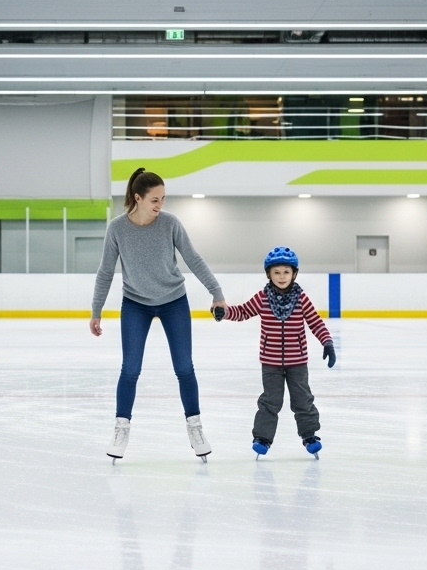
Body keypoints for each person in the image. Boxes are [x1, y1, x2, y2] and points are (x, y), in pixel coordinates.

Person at [91, 167, 227, 462]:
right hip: (135, 303)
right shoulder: (117, 228)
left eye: (163, 199)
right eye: (154, 200)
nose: (160, 205)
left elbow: (192, 257)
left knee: (184, 367)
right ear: (137, 198)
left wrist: (215, 292)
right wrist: (96, 310)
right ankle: (121, 429)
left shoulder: (170, 224)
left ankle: (195, 427)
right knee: (130, 369)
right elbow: (105, 272)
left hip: (173, 301)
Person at [217, 247, 336, 459]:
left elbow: (315, 322)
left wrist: (327, 342)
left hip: (297, 362)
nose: (282, 277)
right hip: (270, 362)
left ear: (294, 274)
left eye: (286, 272)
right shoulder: (263, 298)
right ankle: (262, 438)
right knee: (270, 401)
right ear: (269, 274)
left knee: (302, 399)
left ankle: (309, 435)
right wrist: (224, 312)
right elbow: (243, 312)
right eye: (277, 272)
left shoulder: (301, 299)